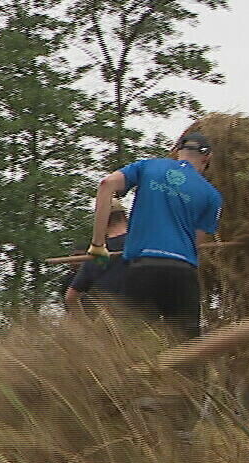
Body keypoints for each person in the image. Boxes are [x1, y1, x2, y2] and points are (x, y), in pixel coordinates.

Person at [89, 129, 223, 342]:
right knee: (187, 348)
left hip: (141, 269)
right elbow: (195, 243)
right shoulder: (212, 196)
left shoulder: (147, 166)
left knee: (120, 343)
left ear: (177, 150)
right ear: (207, 158)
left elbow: (106, 185)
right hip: (182, 273)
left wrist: (98, 244)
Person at [65, 205, 130, 312]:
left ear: (100, 221)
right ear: (125, 218)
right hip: (151, 320)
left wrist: (87, 325)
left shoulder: (97, 254)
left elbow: (71, 298)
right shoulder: (144, 245)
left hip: (110, 321)